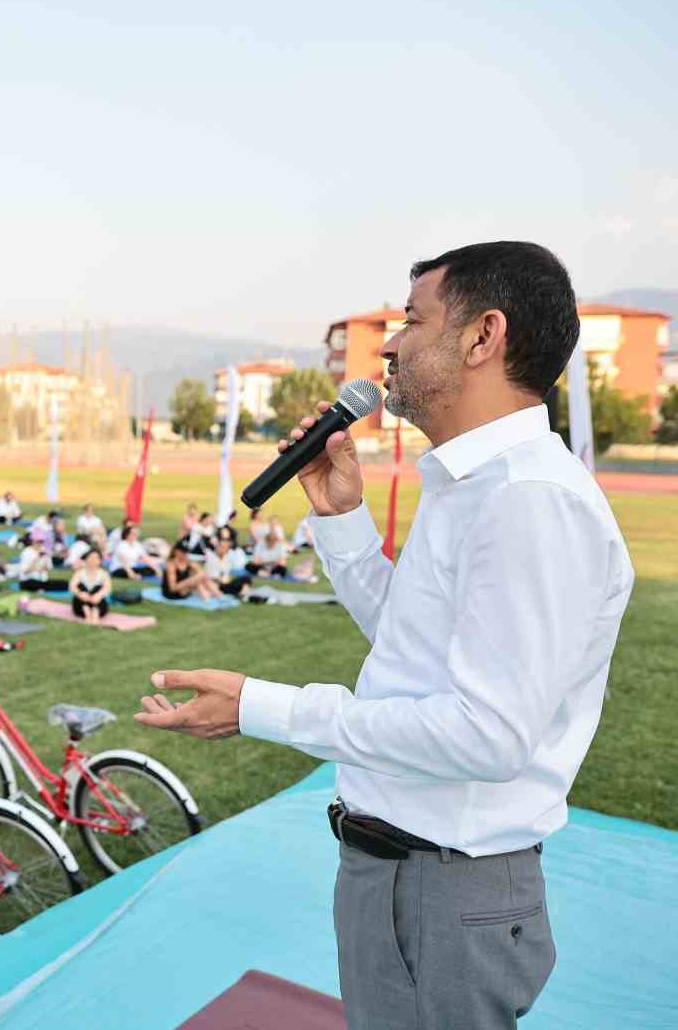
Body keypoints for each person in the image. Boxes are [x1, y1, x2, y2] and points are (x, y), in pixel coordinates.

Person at [136, 241, 635, 1030]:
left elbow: (487, 734)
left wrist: (260, 706)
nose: (390, 345)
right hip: (397, 869)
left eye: (410, 319)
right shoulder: (473, 484)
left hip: (446, 888)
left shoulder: (530, 500)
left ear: (483, 336)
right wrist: (340, 519)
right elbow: (413, 647)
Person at [70, 548, 113, 624]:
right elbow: (72, 586)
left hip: (97, 602)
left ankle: (95, 614)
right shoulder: (80, 572)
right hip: (81, 603)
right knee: (81, 586)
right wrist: (80, 593)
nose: (93, 560)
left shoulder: (103, 574)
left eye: (96, 558)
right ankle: (87, 615)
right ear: (86, 559)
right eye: (91, 557)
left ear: (100, 561)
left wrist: (98, 595)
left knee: (98, 588)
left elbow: (107, 587)